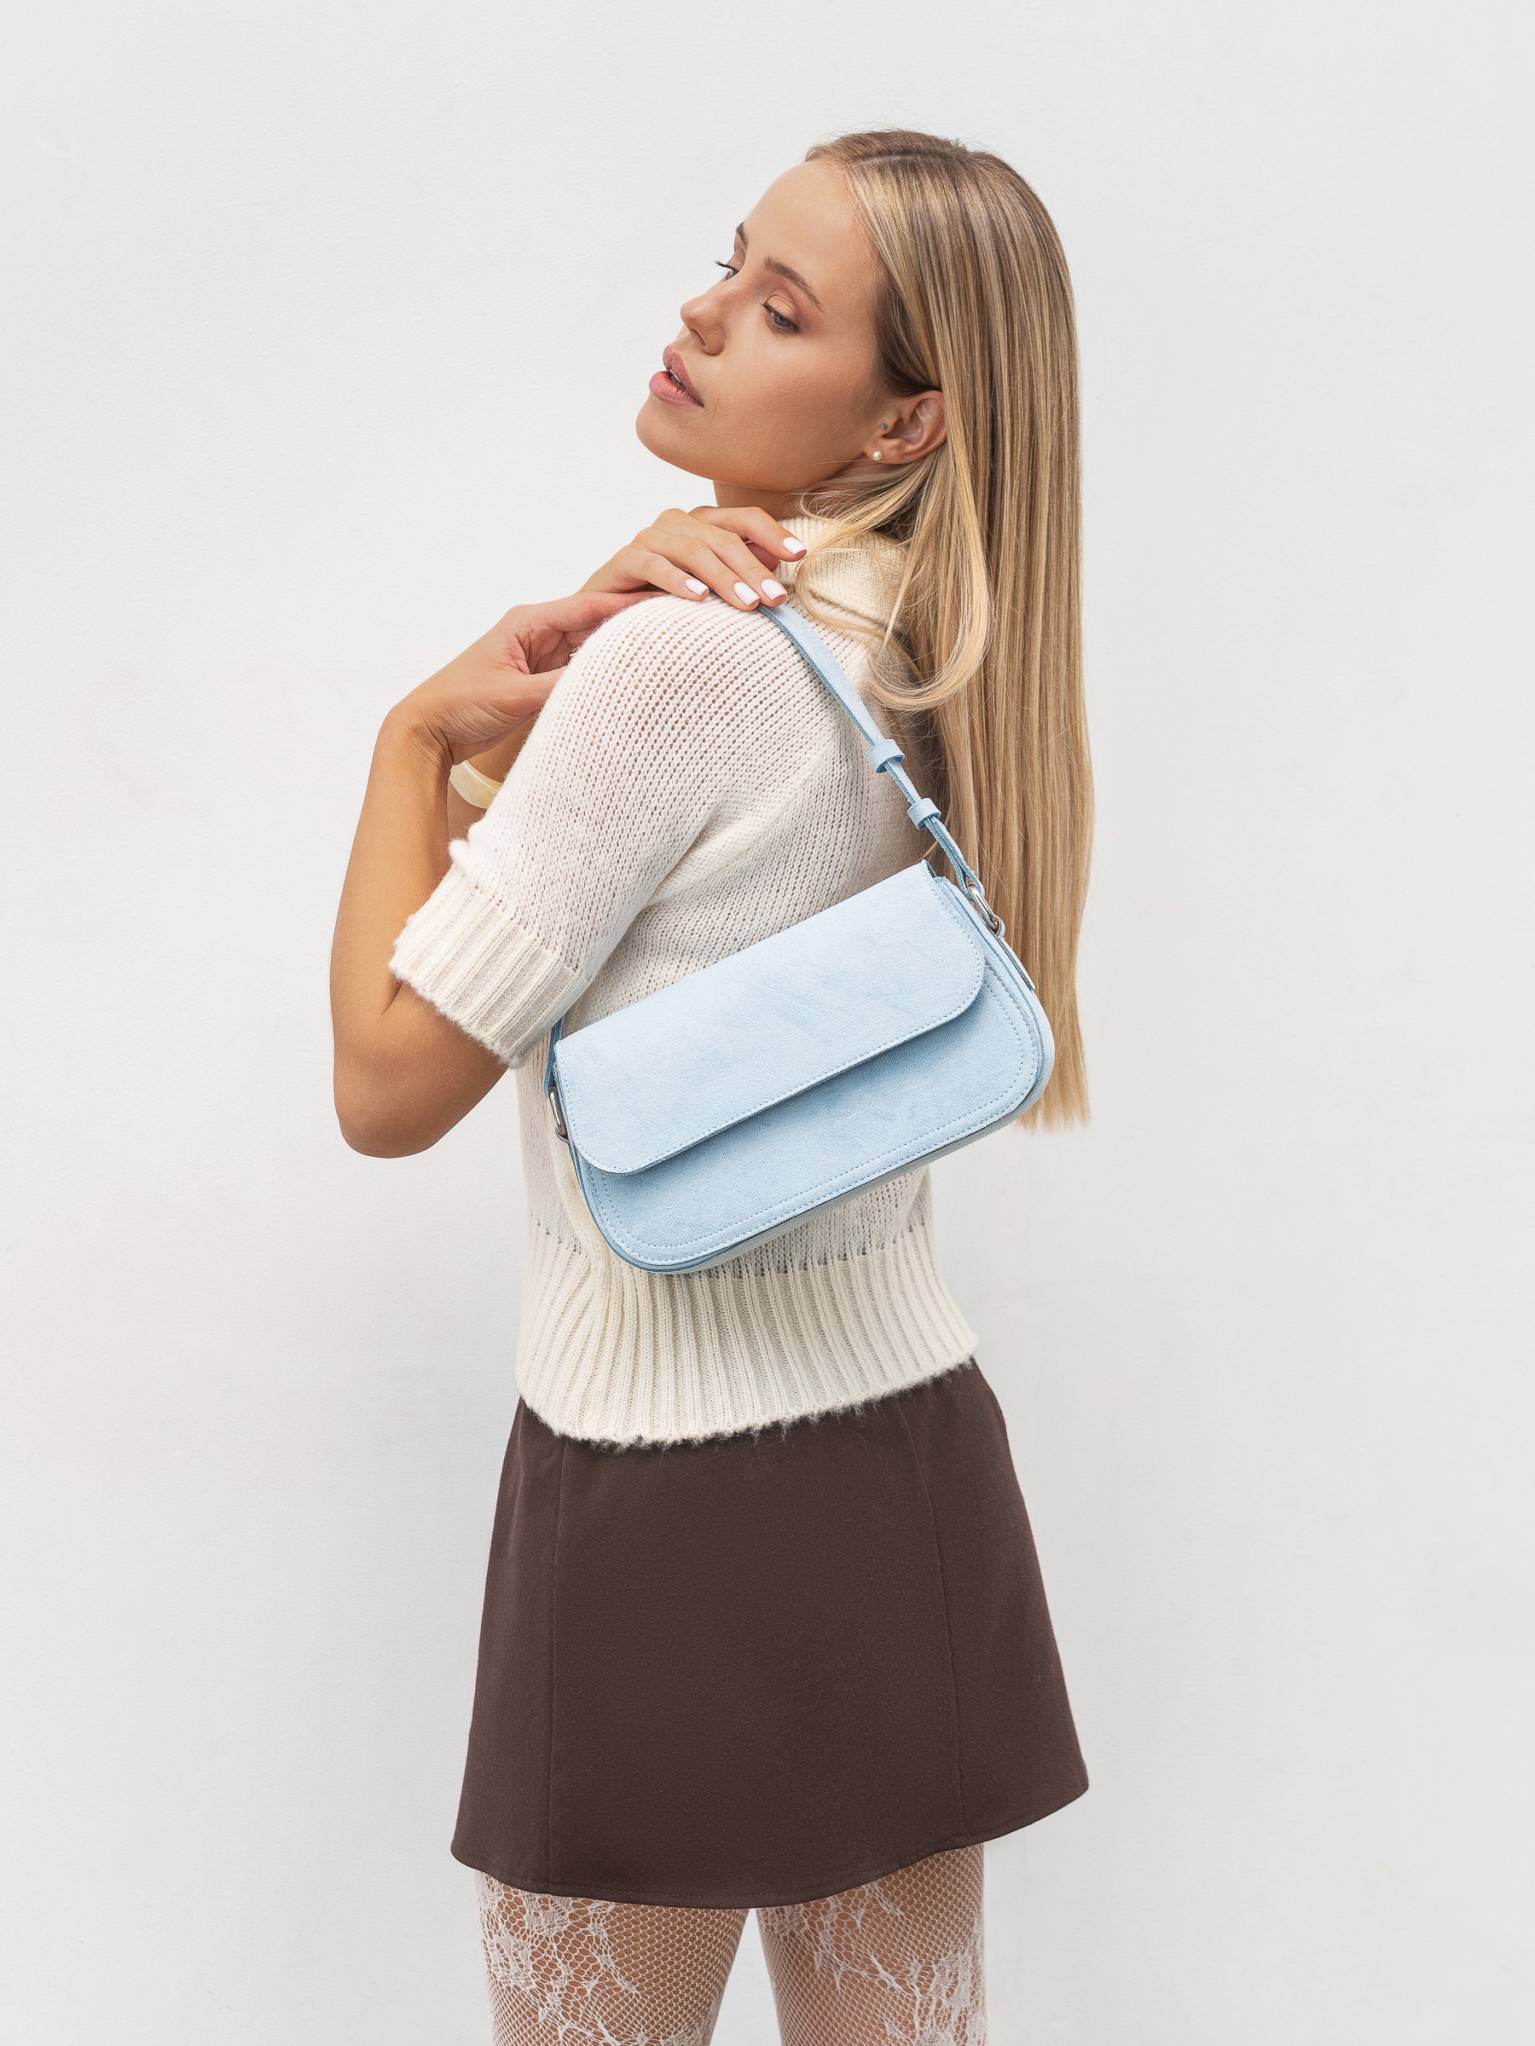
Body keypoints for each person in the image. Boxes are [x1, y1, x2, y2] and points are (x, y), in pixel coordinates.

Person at [330, 125, 1094, 2046]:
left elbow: (386, 1081)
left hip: (652, 1496)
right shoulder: (932, 641)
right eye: (731, 261)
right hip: (909, 1464)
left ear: (907, 420)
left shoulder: (684, 666)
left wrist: (410, 736)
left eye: (781, 308)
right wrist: (608, 620)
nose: (703, 312)